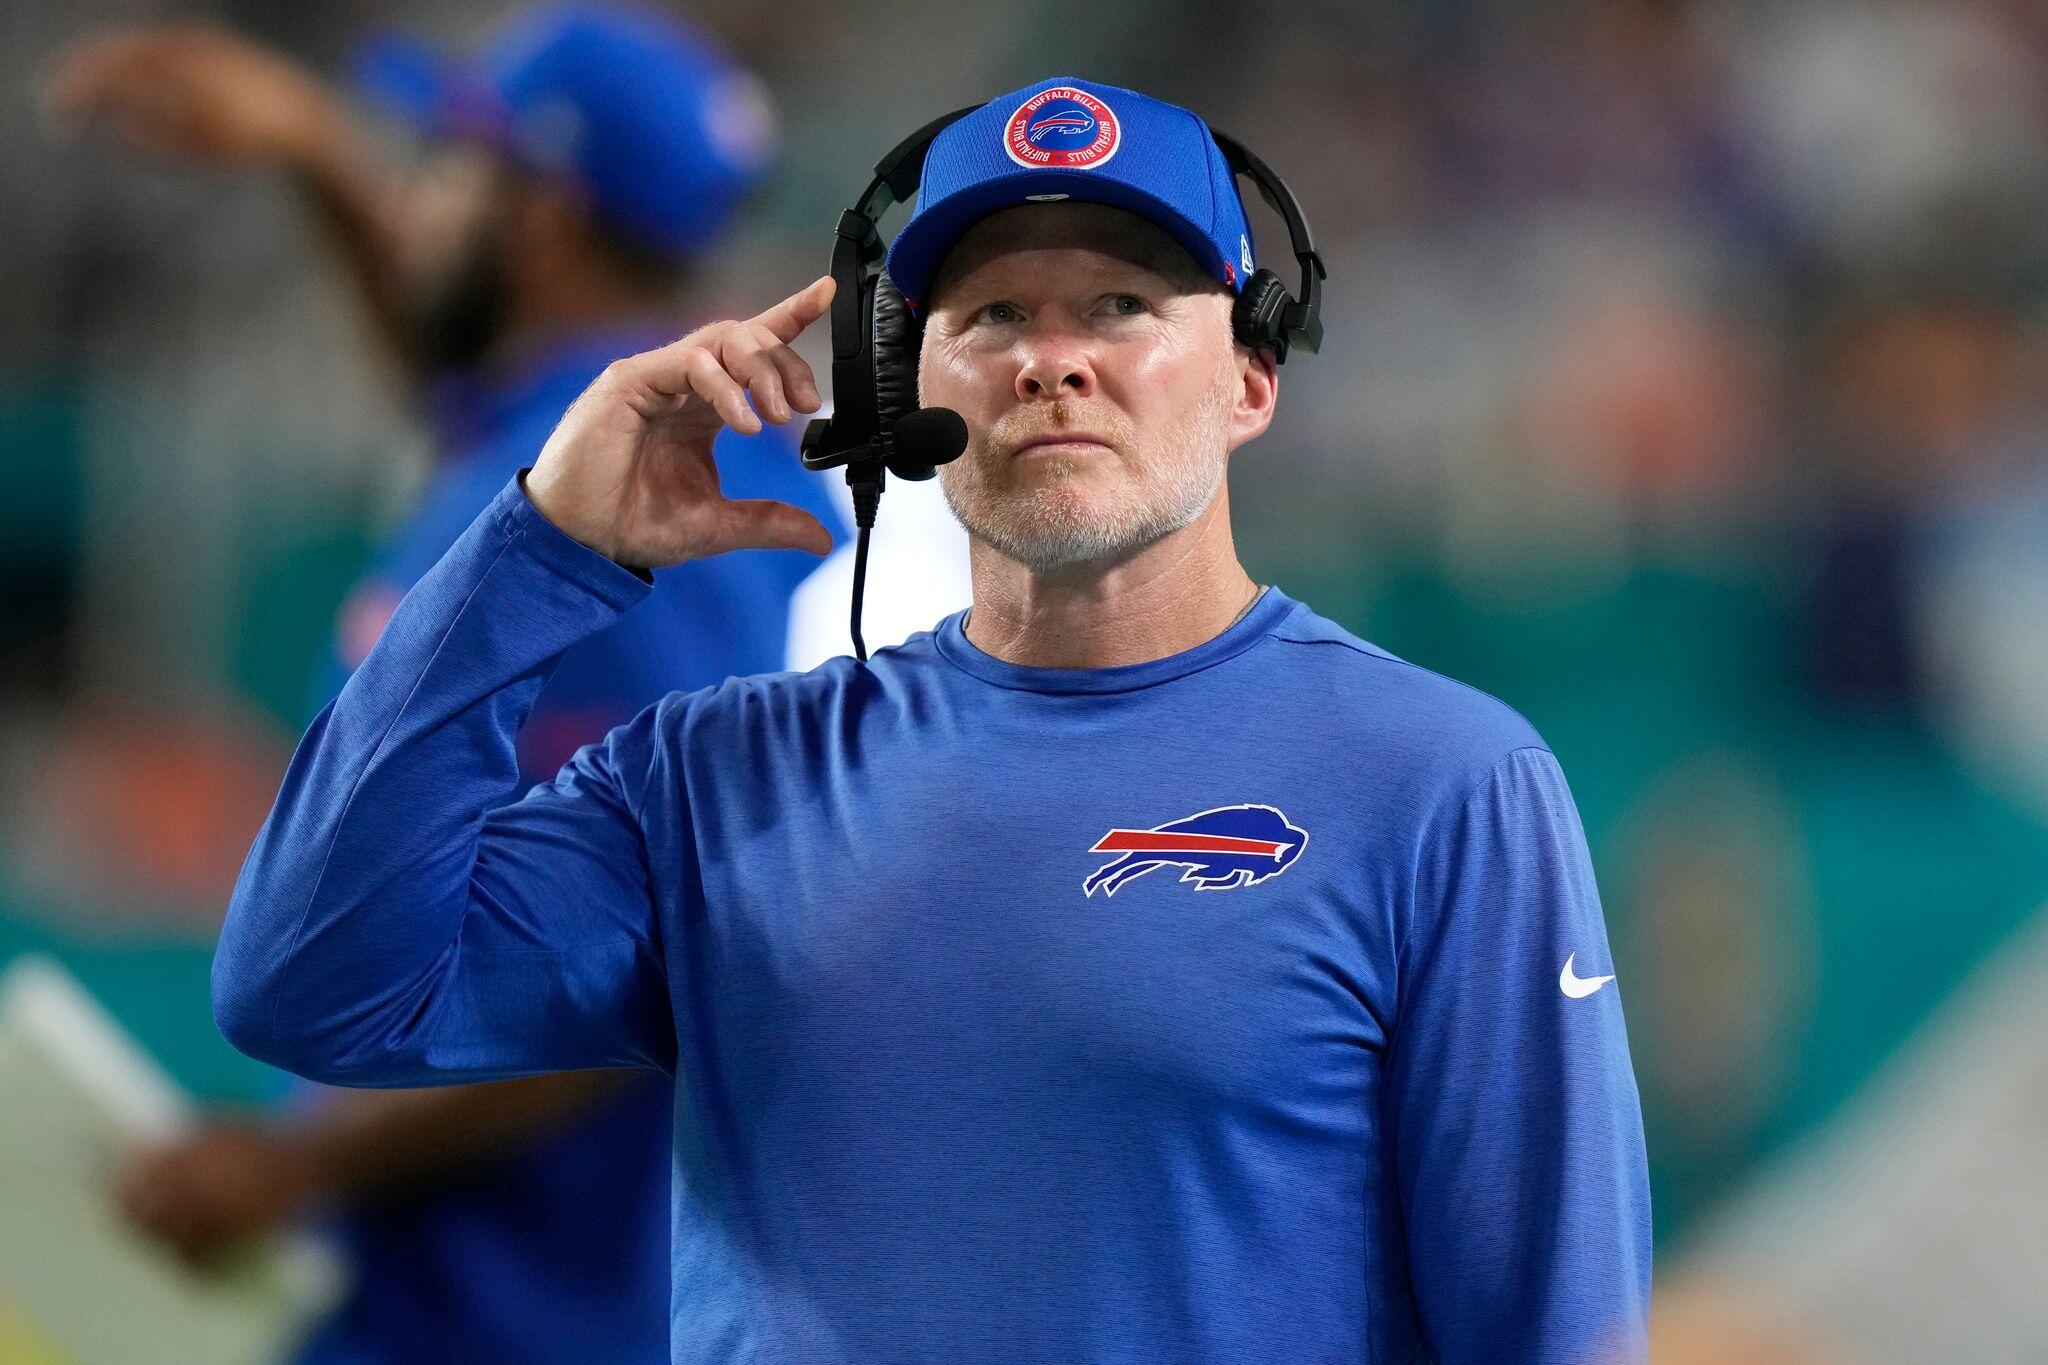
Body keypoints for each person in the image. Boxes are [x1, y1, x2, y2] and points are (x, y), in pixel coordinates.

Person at [214, 76, 1652, 1363]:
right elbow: (311, 987)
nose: (1051, 359)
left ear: (1251, 380)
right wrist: (540, 546)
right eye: (992, 315)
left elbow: (1556, 1329)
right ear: (903, 390)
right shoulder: (717, 780)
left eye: (1124, 305)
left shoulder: (1442, 784)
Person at [51, 7, 850, 1362]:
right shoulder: (570, 431)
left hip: (521, 1304)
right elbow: (452, 364)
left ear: (539, 220)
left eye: (444, 168)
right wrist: (314, 153)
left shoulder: (655, 510)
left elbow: (658, 942)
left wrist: (300, 1169)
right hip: (450, 1281)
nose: (414, 201)